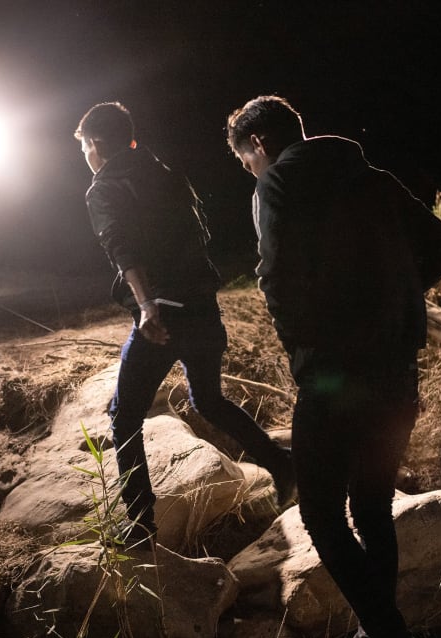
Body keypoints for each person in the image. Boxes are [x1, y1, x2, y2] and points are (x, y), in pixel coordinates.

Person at [226, 95, 441, 638]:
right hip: (396, 371)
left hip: (332, 375)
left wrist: (308, 349)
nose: (250, 173)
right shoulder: (372, 177)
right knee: (372, 507)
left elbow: (277, 279)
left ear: (259, 144)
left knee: (322, 516)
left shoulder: (277, 183)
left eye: (246, 161)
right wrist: (393, 302)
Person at [74, 101, 295, 546]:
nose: (86, 156)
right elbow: (198, 240)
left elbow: (122, 249)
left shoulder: (103, 188)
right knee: (209, 400)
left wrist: (147, 306)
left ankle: (139, 524)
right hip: (202, 306)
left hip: (162, 313)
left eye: (84, 147)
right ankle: (283, 465)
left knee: (123, 417)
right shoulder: (167, 174)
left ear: (96, 145)